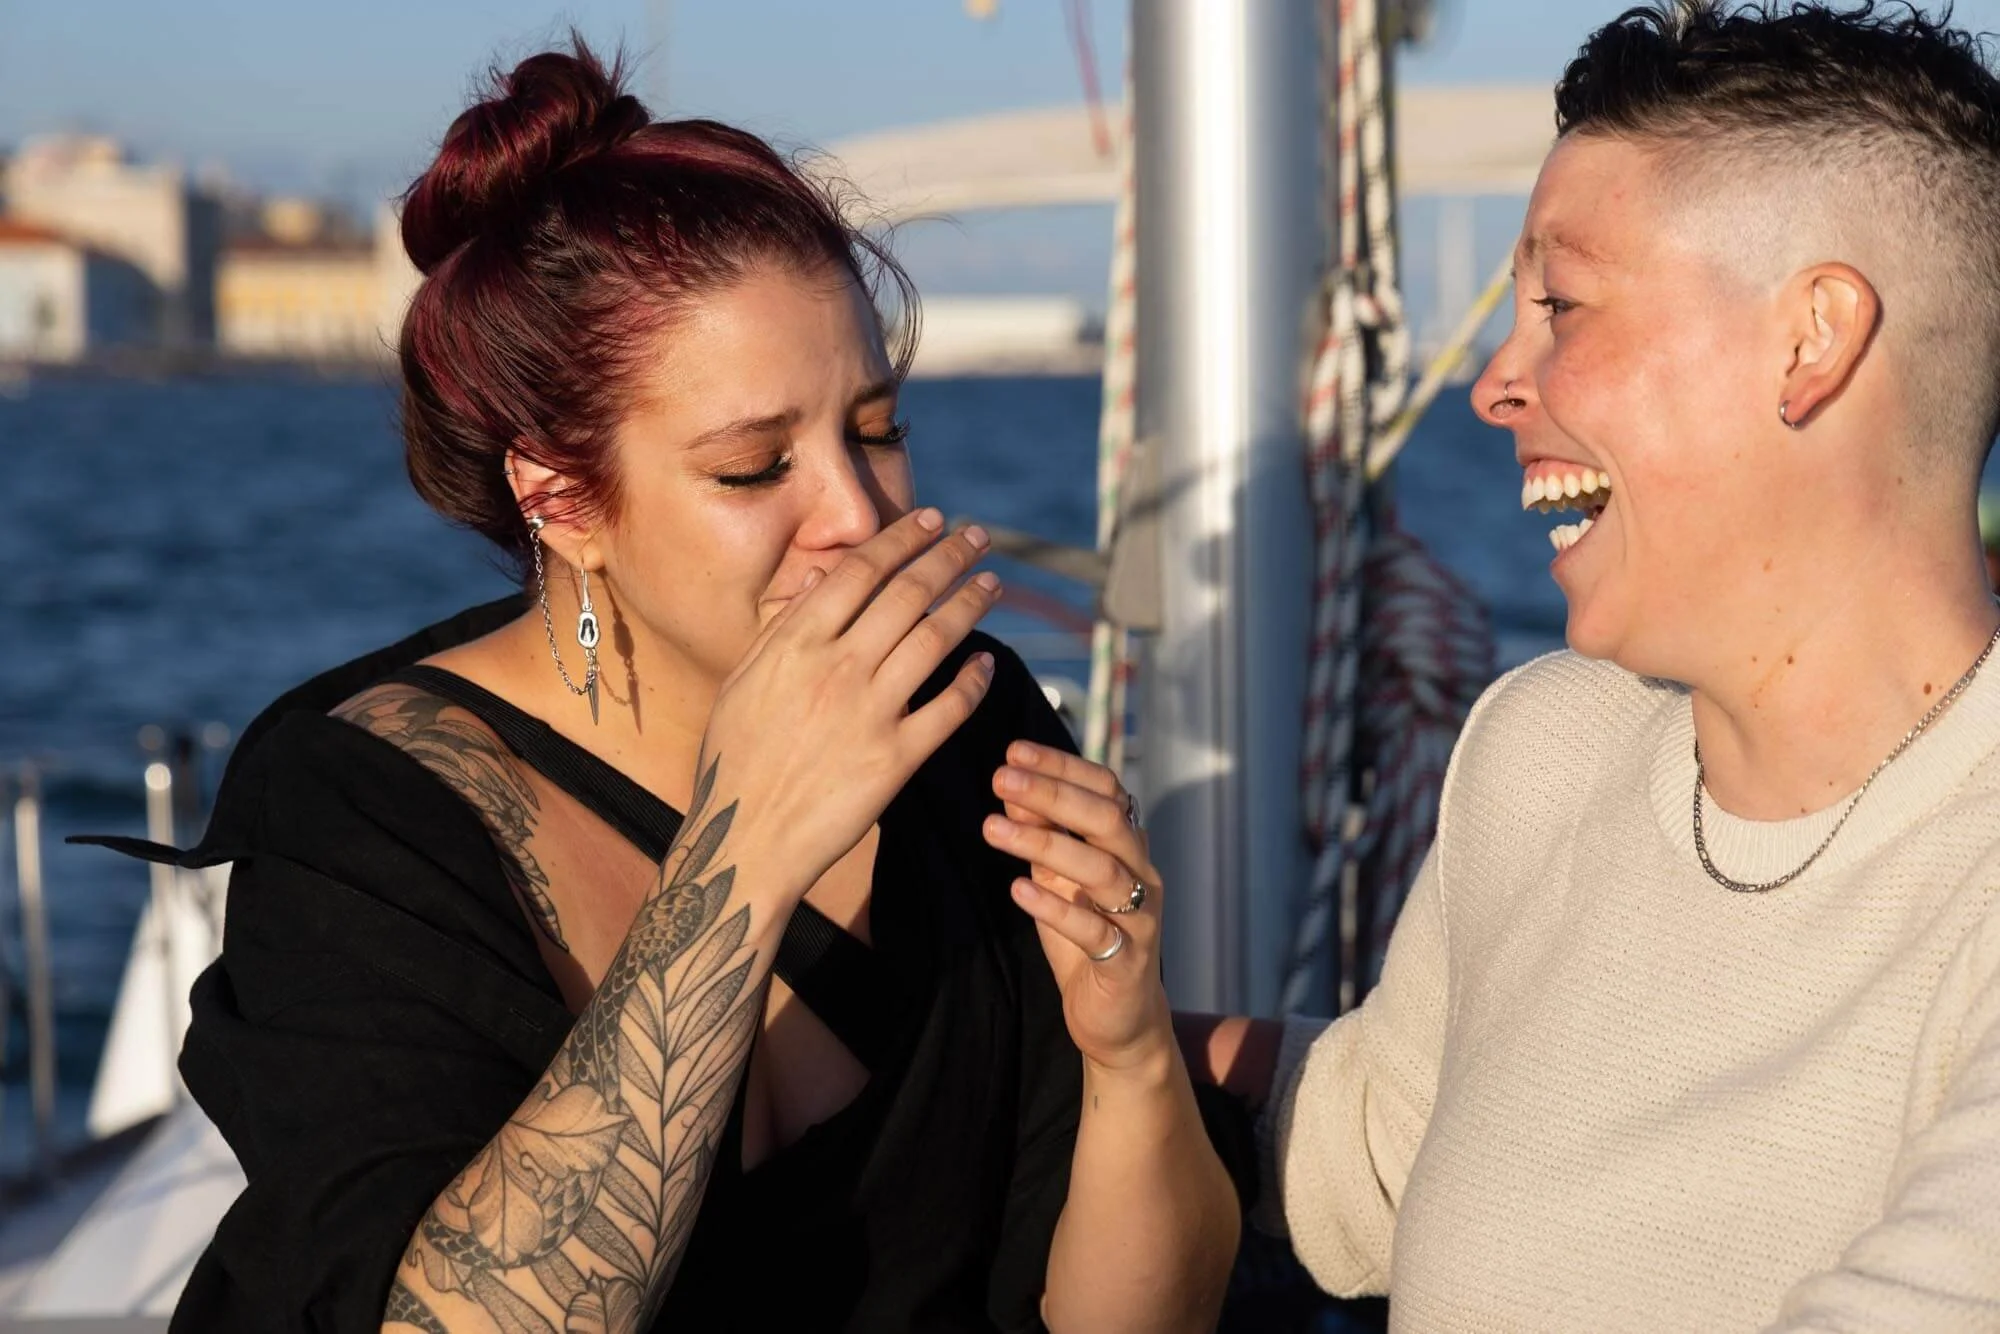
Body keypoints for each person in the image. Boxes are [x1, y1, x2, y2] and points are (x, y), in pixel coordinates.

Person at [120, 43, 1239, 1333]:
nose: (859, 512)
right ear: (560, 501)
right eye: (756, 468)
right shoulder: (361, 809)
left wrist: (1132, 1050)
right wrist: (745, 853)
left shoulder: (961, 720)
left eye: (875, 429)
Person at [1070, 1, 2000, 1329]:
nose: (1496, 382)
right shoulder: (1545, 747)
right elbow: (1376, 1143)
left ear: (1812, 340)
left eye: (1562, 304)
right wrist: (1075, 1019)